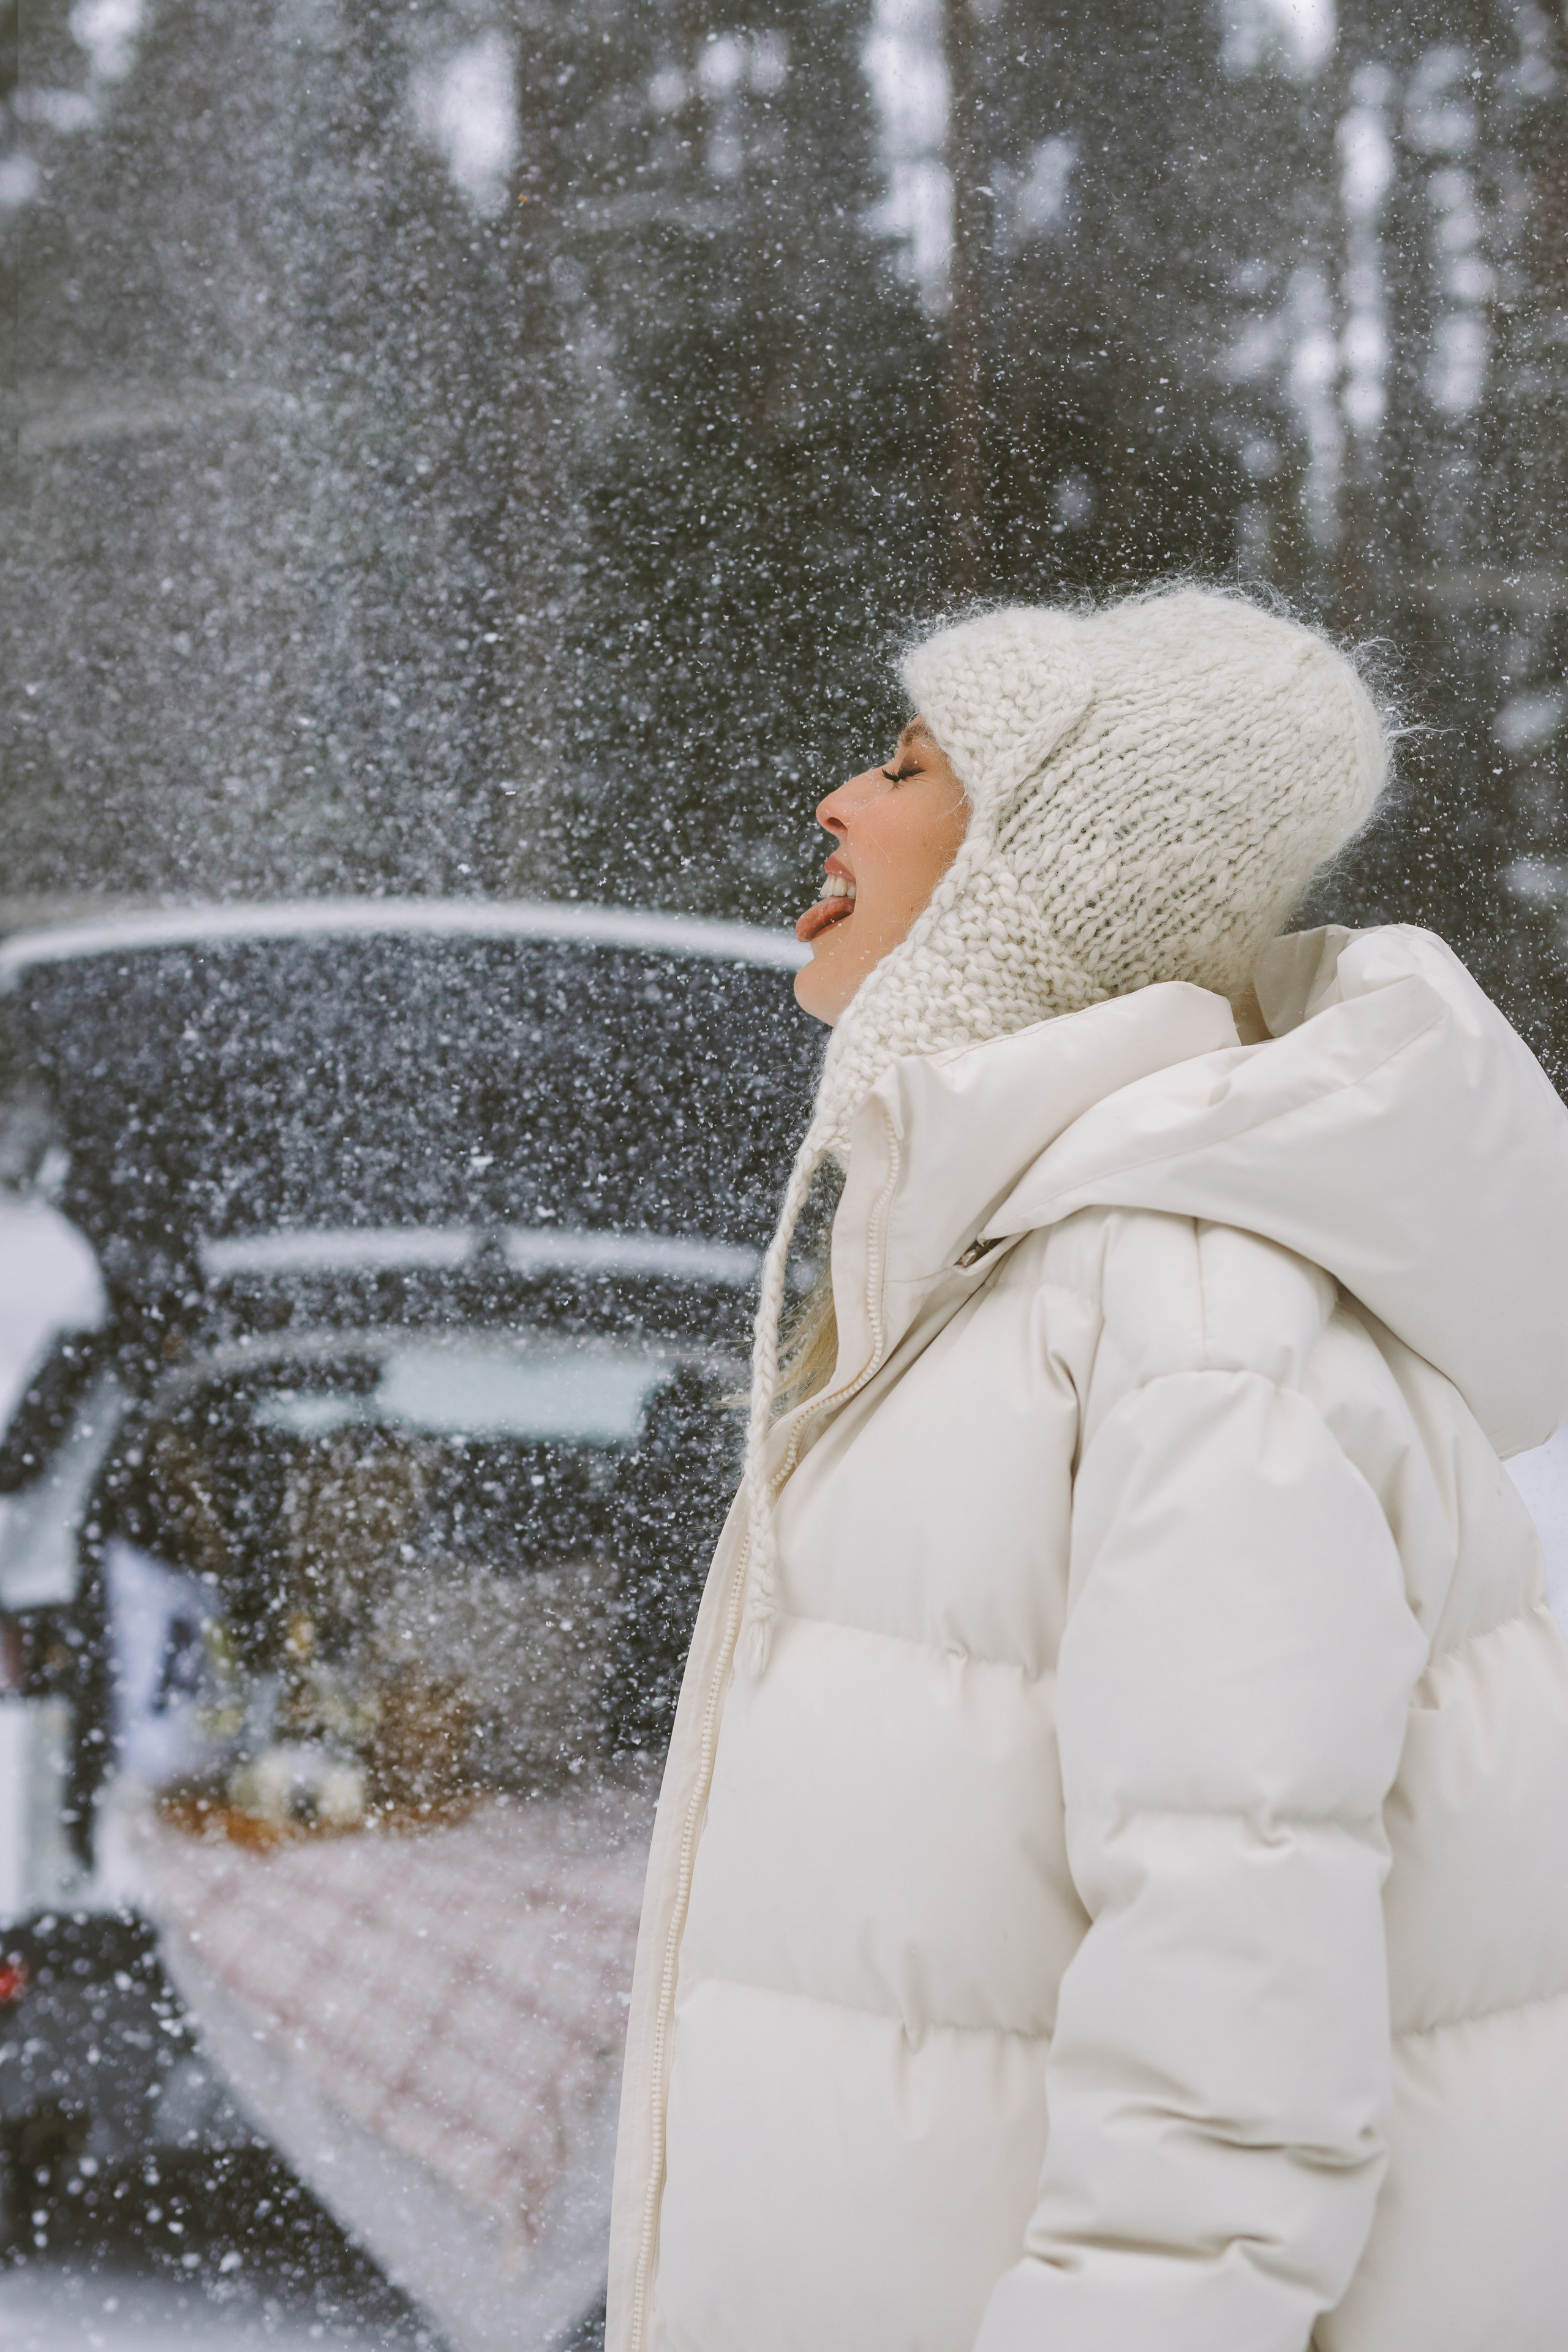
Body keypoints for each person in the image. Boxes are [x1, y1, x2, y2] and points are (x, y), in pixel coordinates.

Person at [605, 589, 1568, 2352]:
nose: (834, 799)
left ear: (1051, 871)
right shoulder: (1013, 1288)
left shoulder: (1186, 1314)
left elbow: (1237, 2050)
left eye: (906, 764)